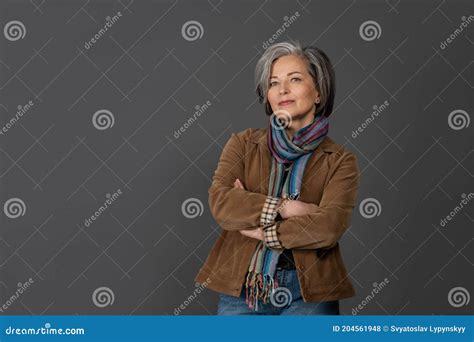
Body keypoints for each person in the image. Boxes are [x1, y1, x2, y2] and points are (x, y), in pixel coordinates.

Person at [194, 40, 361, 315]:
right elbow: (222, 204)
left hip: (309, 292)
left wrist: (263, 231)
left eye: (294, 79)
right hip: (243, 288)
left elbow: (328, 227)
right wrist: (285, 207)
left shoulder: (340, 160)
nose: (282, 90)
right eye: (273, 83)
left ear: (319, 91)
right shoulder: (243, 144)